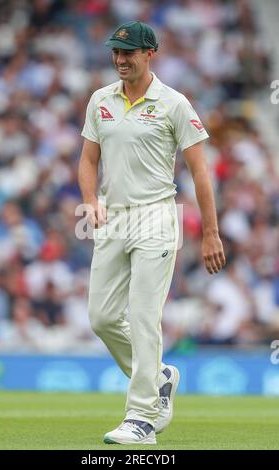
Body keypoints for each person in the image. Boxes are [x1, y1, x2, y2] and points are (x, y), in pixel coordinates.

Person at [78, 20, 226, 445]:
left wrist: (211, 233)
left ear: (150, 54)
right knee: (102, 317)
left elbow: (201, 172)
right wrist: (89, 200)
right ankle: (159, 377)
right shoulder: (100, 100)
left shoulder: (174, 103)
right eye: (116, 53)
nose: (120, 60)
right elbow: (88, 160)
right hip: (114, 218)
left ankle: (142, 418)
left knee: (144, 316)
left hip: (157, 217)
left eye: (129, 53)